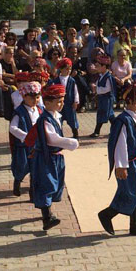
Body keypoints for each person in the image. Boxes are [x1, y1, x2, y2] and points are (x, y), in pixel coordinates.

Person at [98, 80, 136, 236]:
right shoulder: (123, 121)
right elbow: (120, 145)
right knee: (131, 193)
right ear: (130, 101)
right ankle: (107, 214)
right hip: (129, 163)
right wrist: (120, 165)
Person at [26, 84, 79, 230]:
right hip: (45, 158)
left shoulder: (55, 116)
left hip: (55, 157)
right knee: (46, 184)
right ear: (47, 102)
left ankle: (46, 211)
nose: (61, 104)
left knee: (54, 184)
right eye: (58, 102)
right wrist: (71, 142)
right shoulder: (45, 119)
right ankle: (47, 217)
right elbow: (52, 139)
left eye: (62, 101)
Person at [9, 81, 42, 199]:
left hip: (36, 146)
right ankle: (17, 181)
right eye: (32, 98)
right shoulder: (19, 112)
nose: (35, 100)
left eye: (37, 97)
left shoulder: (39, 110)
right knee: (21, 167)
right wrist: (25, 136)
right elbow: (13, 128)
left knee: (35, 169)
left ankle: (33, 193)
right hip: (23, 146)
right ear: (24, 97)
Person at [51, 58, 79, 139]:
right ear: (61, 69)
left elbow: (75, 92)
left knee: (72, 120)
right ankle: (60, 135)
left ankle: (75, 134)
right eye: (66, 68)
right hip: (59, 105)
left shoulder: (72, 81)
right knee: (59, 119)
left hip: (70, 104)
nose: (68, 71)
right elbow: (54, 92)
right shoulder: (56, 81)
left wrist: (76, 101)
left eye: (70, 69)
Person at [90, 55, 116, 138]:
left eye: (98, 66)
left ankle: (97, 131)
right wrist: (95, 87)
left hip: (107, 99)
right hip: (102, 98)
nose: (96, 68)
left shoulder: (108, 77)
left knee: (106, 114)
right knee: (107, 114)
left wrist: (97, 88)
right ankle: (115, 128)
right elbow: (99, 84)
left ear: (104, 66)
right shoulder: (101, 76)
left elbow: (107, 89)